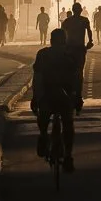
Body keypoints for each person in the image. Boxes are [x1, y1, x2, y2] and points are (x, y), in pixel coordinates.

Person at [31, 28, 82, 170]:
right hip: (65, 96)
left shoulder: (43, 54)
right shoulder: (70, 55)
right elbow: (77, 78)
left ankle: (42, 135)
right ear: (64, 41)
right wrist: (78, 97)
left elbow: (37, 78)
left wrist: (35, 98)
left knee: (43, 116)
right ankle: (68, 156)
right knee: (68, 124)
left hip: (47, 94)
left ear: (51, 40)